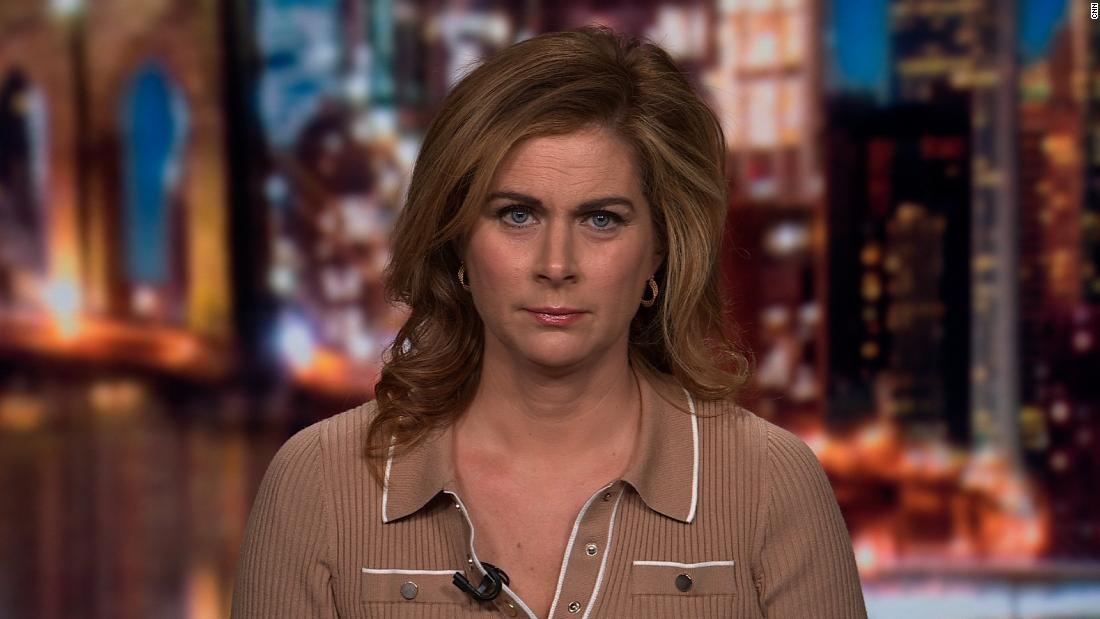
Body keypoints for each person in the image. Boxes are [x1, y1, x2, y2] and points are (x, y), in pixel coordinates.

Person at [231, 25, 867, 619]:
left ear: (659, 249)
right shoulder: (319, 482)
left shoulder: (769, 484)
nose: (556, 264)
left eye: (601, 219)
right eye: (517, 215)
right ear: (457, 240)